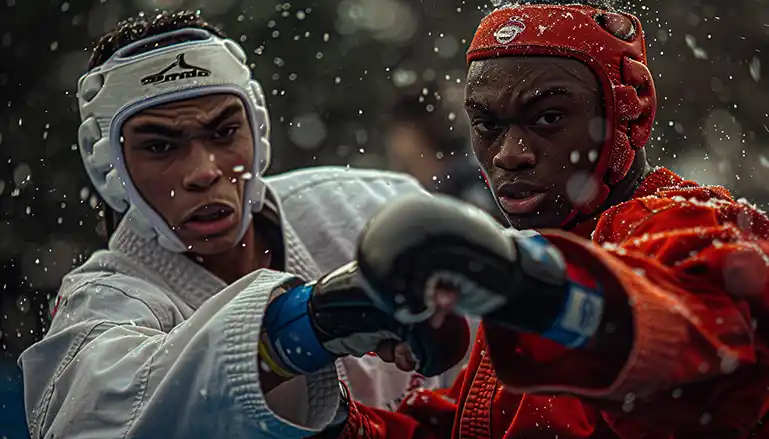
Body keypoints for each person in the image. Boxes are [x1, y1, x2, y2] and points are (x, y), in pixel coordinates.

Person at [275, 1, 769, 438]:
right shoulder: (544, 253)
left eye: (549, 118)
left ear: (630, 117)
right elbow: (474, 428)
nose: (510, 155)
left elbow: (706, 349)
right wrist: (330, 410)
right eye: (488, 125)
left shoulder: (696, 223)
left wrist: (532, 289)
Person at [18, 11, 471, 439]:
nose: (204, 171)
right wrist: (308, 326)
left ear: (257, 131)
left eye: (223, 133)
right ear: (109, 168)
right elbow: (94, 417)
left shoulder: (371, 209)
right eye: (160, 146)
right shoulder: (102, 304)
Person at [384, 81, 503, 224]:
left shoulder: (465, 187)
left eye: (396, 132)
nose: (392, 144)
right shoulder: (437, 190)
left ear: (413, 131)